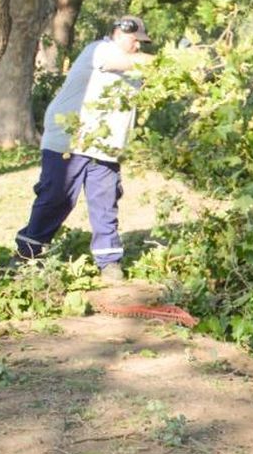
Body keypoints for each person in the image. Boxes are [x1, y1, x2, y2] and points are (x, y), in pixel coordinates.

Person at [15, 16, 153, 282]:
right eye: (136, 41)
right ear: (120, 33)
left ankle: (109, 263)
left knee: (105, 203)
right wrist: (165, 62)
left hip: (105, 146)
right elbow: (122, 62)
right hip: (69, 140)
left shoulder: (135, 65)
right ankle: (27, 254)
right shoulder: (101, 50)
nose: (138, 47)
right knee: (57, 198)